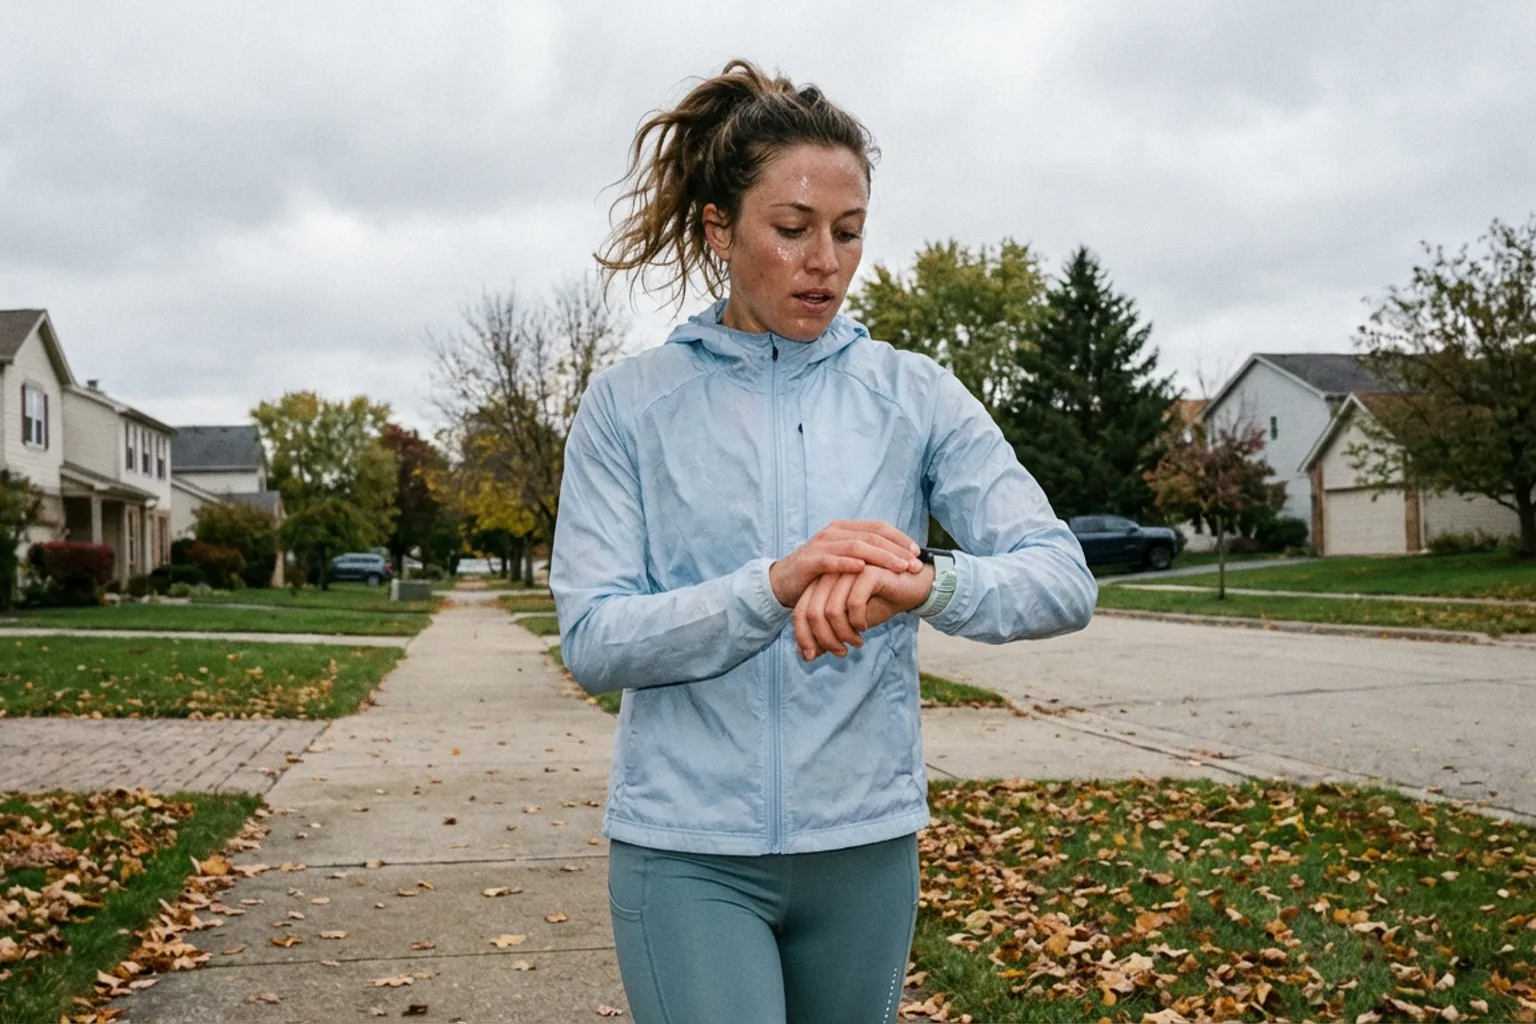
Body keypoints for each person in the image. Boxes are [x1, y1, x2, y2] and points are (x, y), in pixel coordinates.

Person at [551, 59, 1096, 1024]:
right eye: (793, 230)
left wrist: (923, 581)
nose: (826, 263)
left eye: (848, 234)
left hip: (867, 849)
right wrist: (768, 590)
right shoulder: (629, 405)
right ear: (721, 228)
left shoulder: (914, 394)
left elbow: (1061, 579)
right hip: (688, 851)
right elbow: (595, 640)